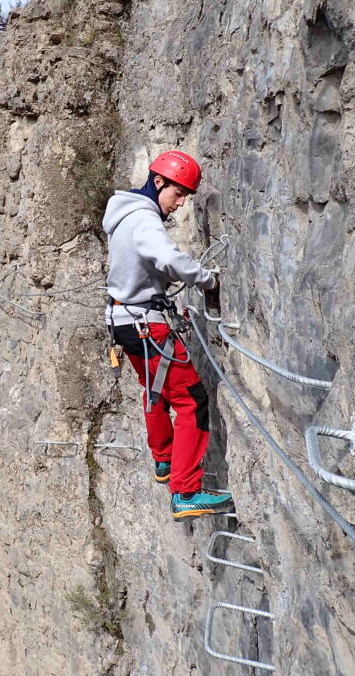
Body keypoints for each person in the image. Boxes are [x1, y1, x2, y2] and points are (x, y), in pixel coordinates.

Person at [102, 150, 233, 520]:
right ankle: (186, 492)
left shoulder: (123, 214)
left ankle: (164, 460)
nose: (180, 203)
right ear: (158, 182)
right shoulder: (144, 219)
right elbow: (170, 258)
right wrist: (208, 281)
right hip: (145, 323)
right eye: (178, 194)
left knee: (155, 389)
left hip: (123, 320)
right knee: (192, 400)